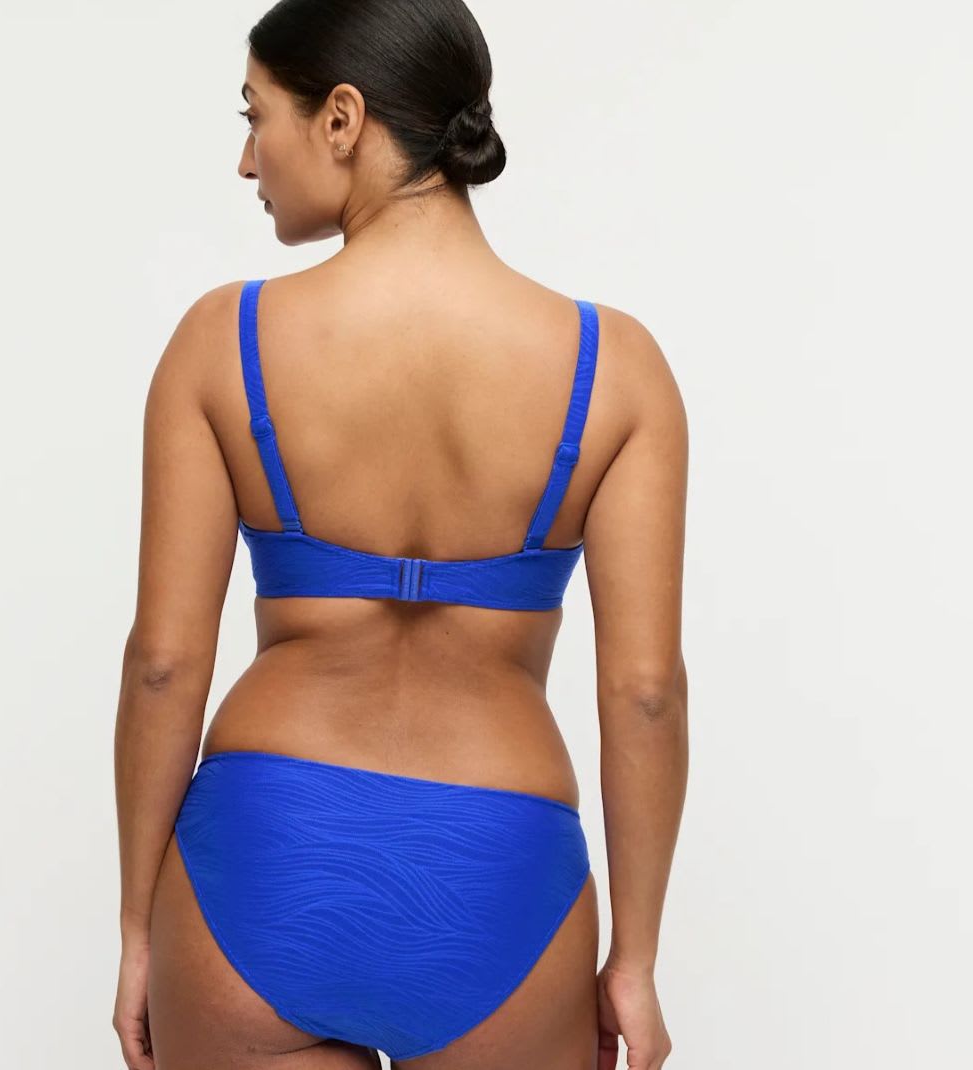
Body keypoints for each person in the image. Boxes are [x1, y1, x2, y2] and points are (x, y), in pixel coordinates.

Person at [112, 1, 688, 1068]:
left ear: (341, 118)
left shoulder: (221, 341)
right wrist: (636, 961)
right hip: (499, 876)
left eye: (255, 116)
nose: (247, 160)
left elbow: (162, 664)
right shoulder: (616, 368)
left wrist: (138, 928)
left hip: (263, 858)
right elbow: (645, 691)